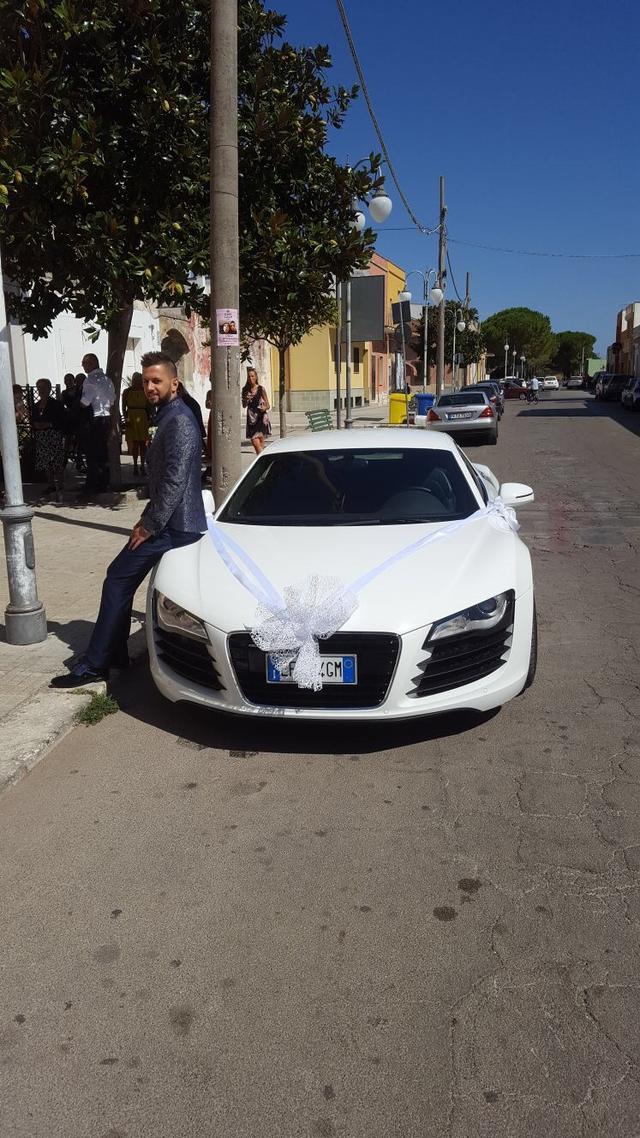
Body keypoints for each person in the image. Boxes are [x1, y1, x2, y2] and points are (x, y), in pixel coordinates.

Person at [50, 351, 207, 688]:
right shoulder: (169, 413)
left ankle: (96, 664)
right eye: (146, 380)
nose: (150, 386)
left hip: (174, 526)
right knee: (118, 579)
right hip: (170, 521)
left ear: (173, 383)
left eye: (156, 381)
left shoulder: (178, 419)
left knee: (117, 579)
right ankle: (114, 653)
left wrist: (150, 525)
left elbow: (175, 480)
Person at [80, 353, 115, 494]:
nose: (83, 365)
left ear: (92, 363)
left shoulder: (90, 380)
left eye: (84, 363)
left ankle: (93, 484)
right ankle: (104, 482)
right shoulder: (107, 379)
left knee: (92, 454)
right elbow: (112, 401)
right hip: (106, 418)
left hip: (94, 419)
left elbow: (85, 402)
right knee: (102, 453)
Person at [32, 378, 66, 495]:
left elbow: (62, 421)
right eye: (39, 387)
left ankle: (60, 484)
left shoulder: (56, 404)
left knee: (56, 461)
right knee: (46, 462)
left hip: (53, 435)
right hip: (41, 436)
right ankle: (50, 484)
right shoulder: (35, 405)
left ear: (49, 389)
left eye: (43, 387)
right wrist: (36, 424)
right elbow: (33, 419)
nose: (41, 390)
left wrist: (49, 424)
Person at [122, 372, 150, 477]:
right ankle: (134, 465)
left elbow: (149, 406)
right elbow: (123, 406)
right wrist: (126, 418)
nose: (137, 381)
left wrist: (151, 418)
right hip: (131, 417)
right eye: (135, 379)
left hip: (142, 418)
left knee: (143, 443)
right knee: (134, 444)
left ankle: (142, 465)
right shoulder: (127, 392)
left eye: (139, 379)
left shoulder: (145, 391)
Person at [242, 367, 271, 455]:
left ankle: (262, 463)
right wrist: (246, 400)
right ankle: (263, 461)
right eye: (249, 377)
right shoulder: (245, 390)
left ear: (256, 377)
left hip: (261, 417)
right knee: (254, 441)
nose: (251, 378)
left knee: (261, 443)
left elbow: (268, 405)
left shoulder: (261, 389)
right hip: (251, 419)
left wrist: (264, 408)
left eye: (252, 376)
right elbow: (244, 405)